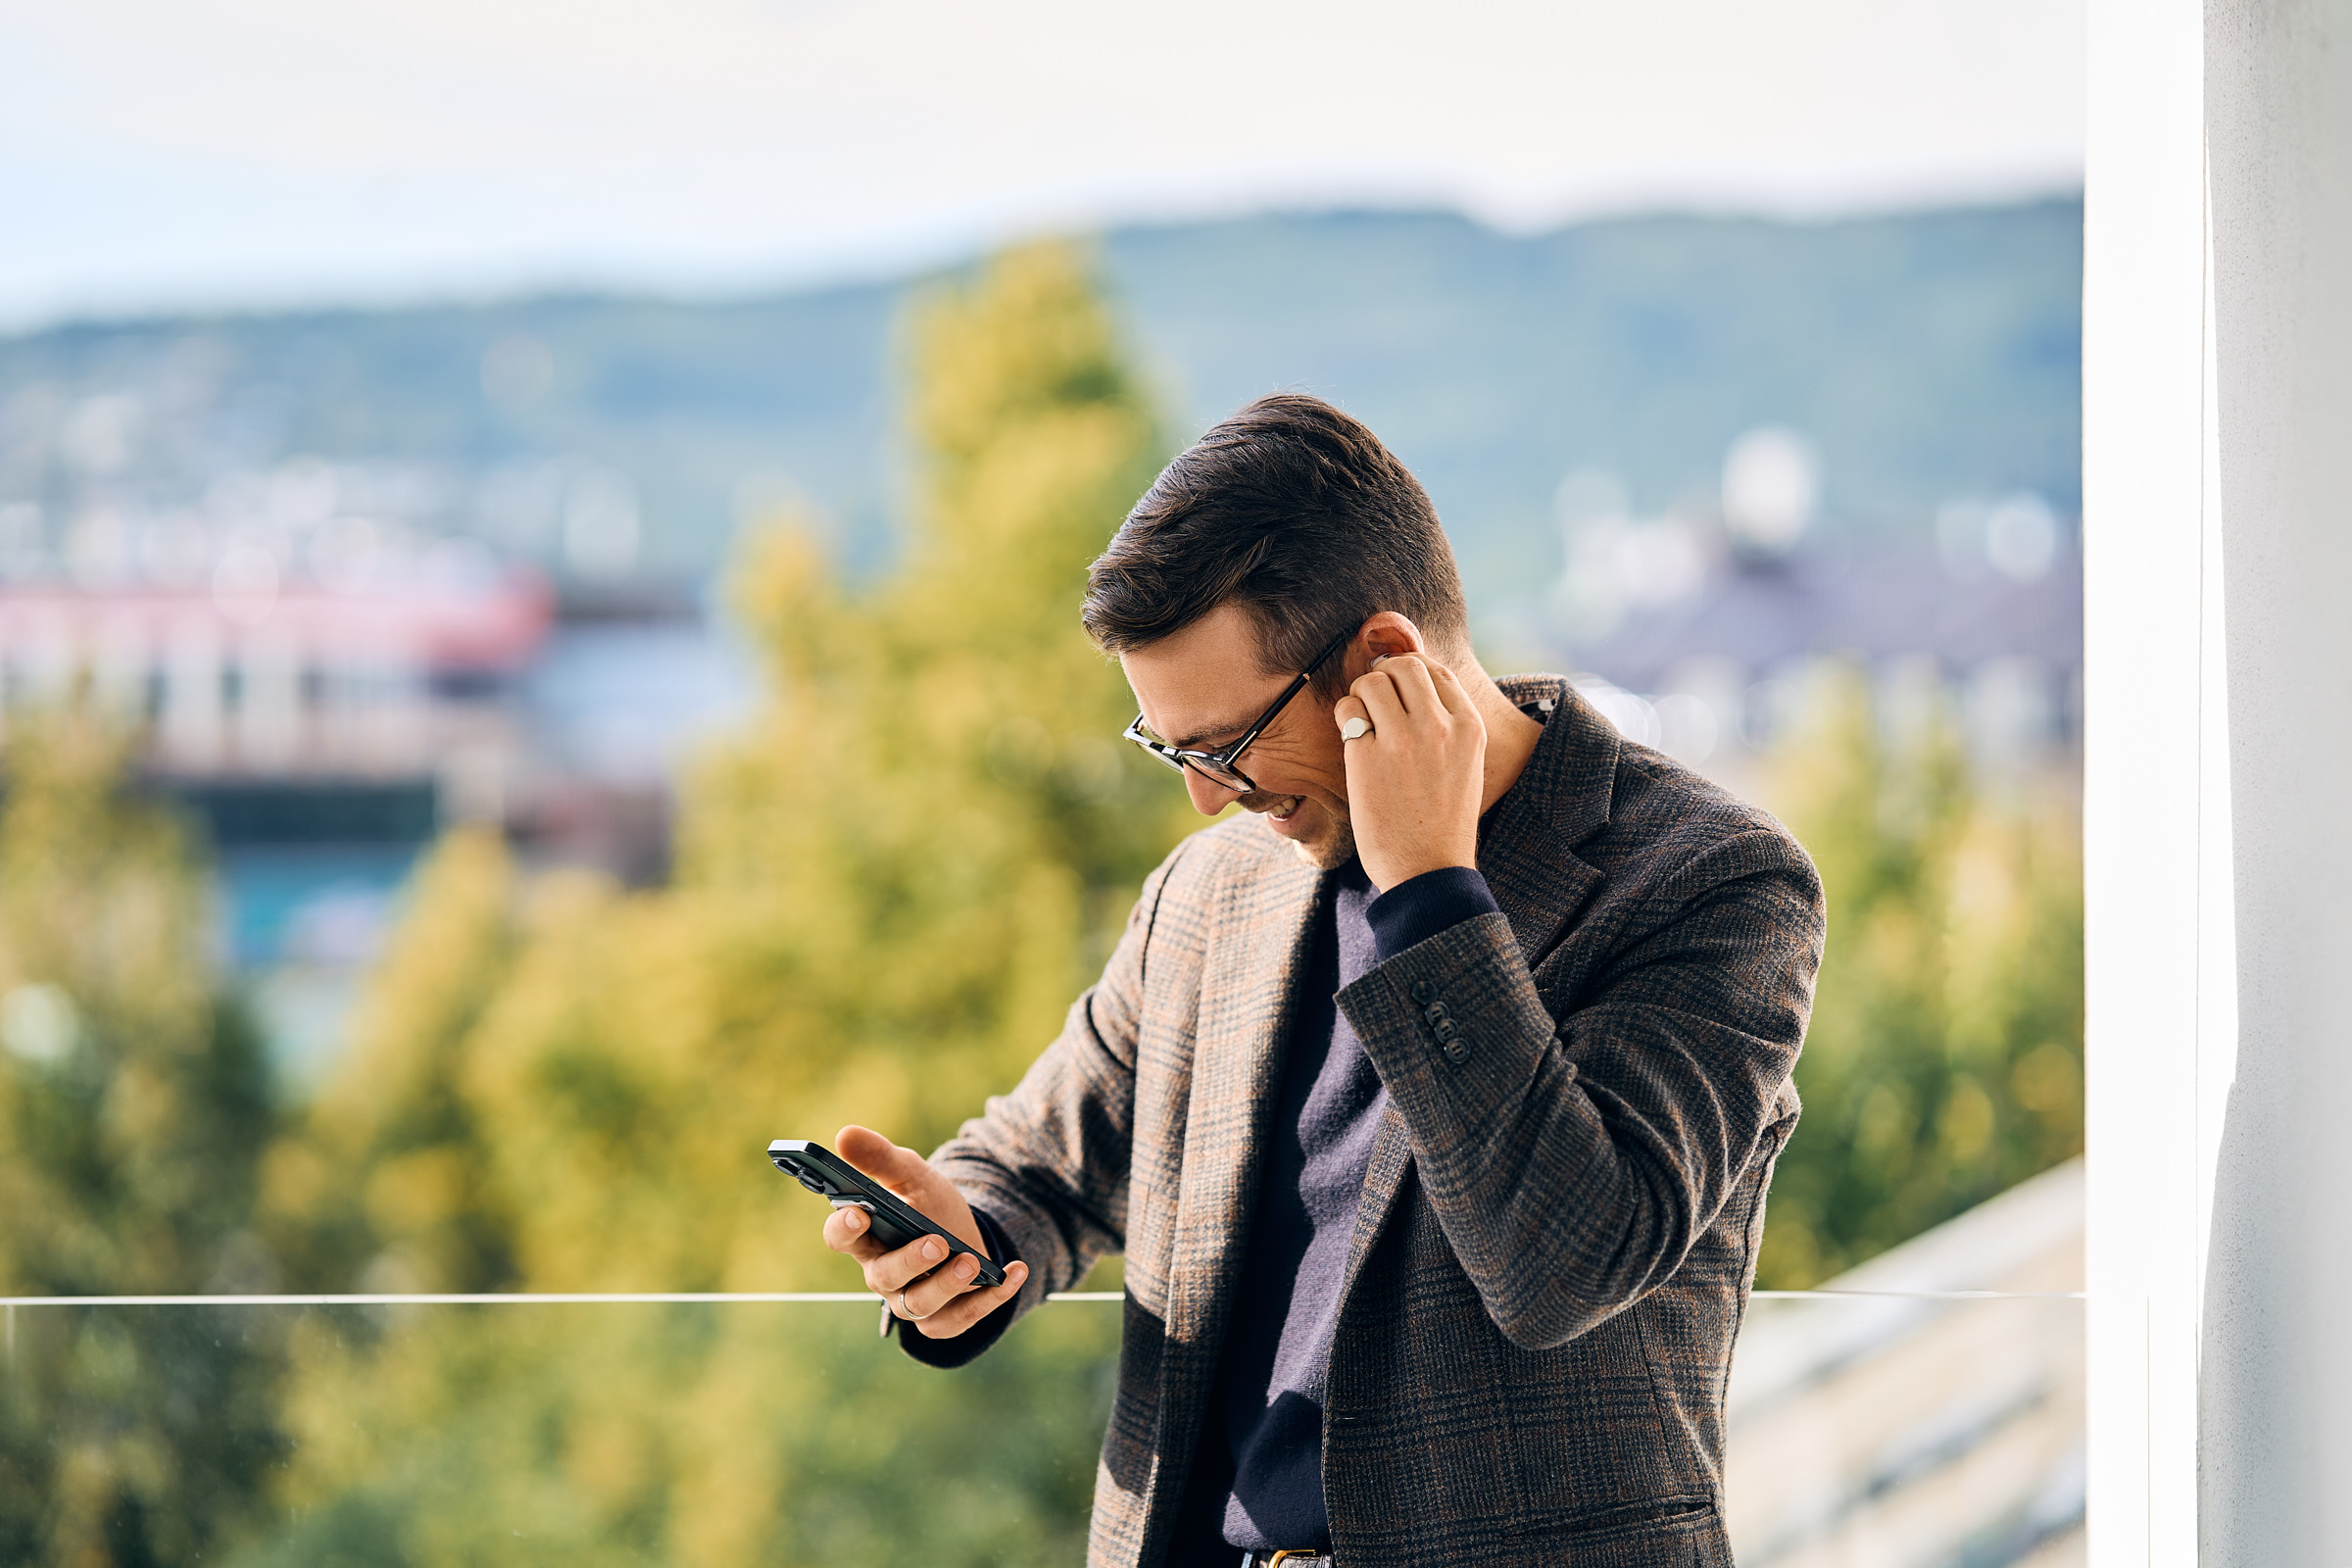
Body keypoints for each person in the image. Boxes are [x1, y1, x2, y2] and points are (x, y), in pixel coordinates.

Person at [817, 393, 1826, 1567]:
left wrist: (1430, 893)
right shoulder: (1212, 893)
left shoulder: (1711, 883)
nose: (1203, 794)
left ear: (1386, 662)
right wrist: (967, 1235)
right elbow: (1041, 1159)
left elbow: (1565, 1264)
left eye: (1227, 744)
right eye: (1170, 748)